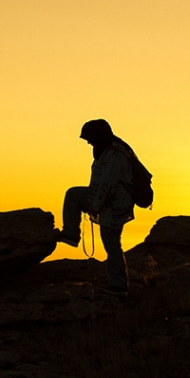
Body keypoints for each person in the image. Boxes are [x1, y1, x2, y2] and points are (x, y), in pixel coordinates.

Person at [59, 119, 137, 295]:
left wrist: (95, 206)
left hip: (115, 206)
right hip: (105, 201)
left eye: (90, 138)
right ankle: (71, 234)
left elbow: (108, 184)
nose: (88, 142)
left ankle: (119, 285)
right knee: (73, 195)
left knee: (111, 244)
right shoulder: (107, 151)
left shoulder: (115, 155)